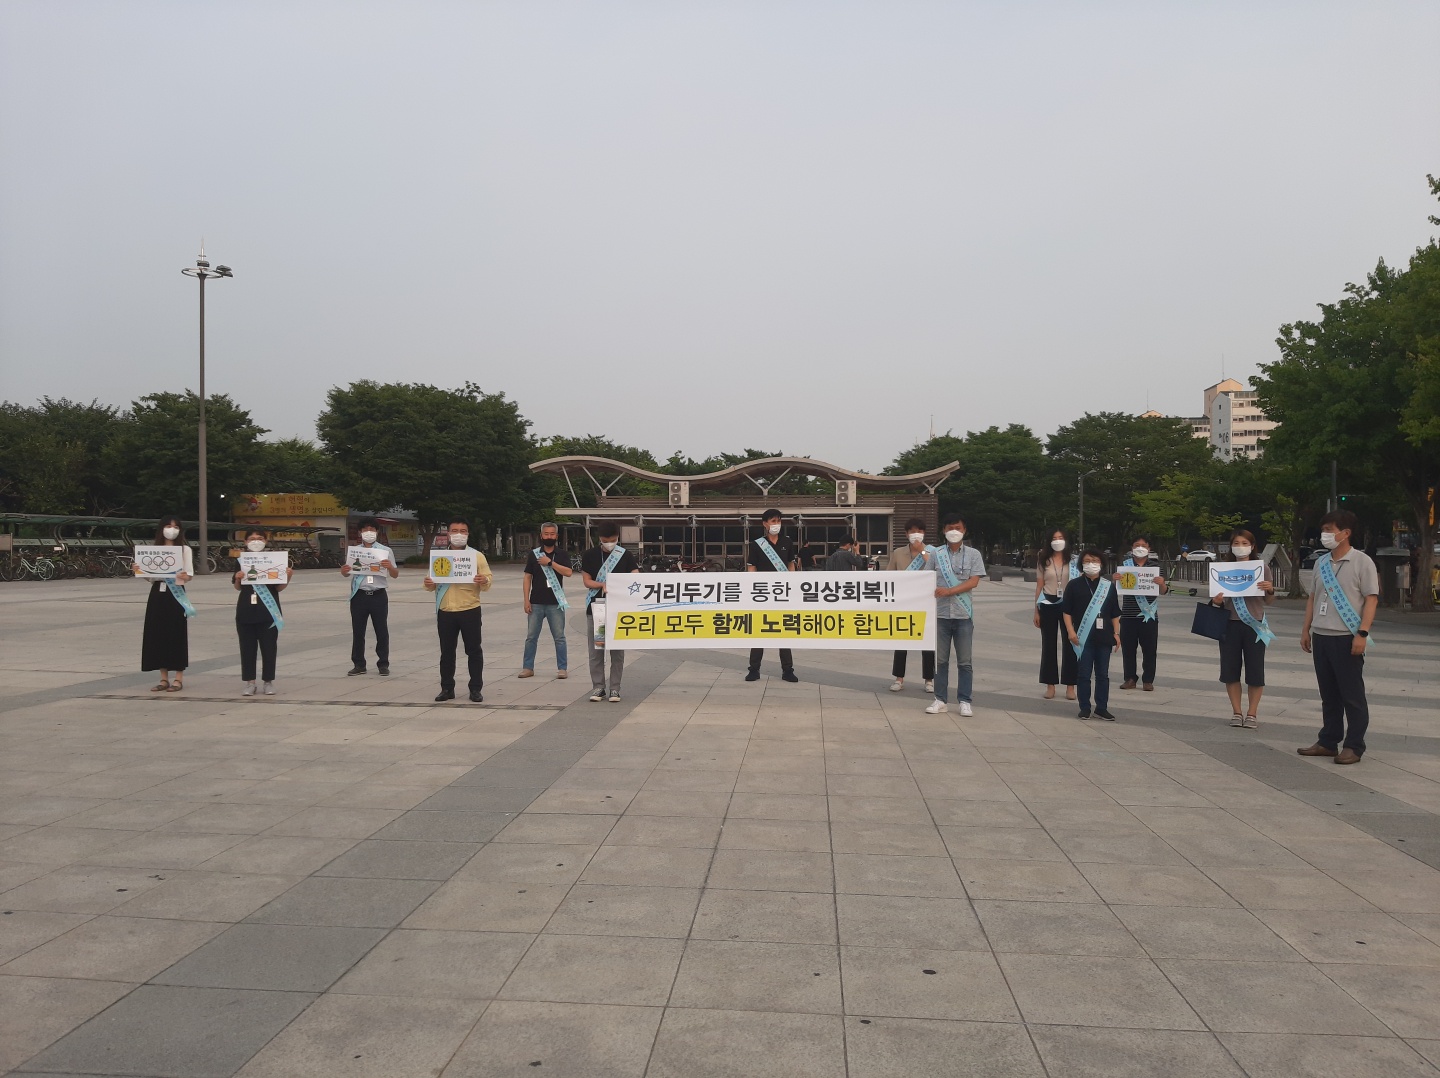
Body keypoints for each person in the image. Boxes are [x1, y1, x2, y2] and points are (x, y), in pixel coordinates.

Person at [1299, 510, 1378, 765]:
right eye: (1323, 530)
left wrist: (1362, 633)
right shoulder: (1321, 563)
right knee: (1329, 694)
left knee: (1352, 695)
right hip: (1321, 635)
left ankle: (1354, 746)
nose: (1325, 535)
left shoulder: (1362, 562)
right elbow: (1312, 598)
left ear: (1345, 533)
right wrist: (1306, 629)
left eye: (1329, 530)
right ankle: (1328, 741)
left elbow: (1371, 600)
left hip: (1347, 637)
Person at [1209, 529, 1275, 729]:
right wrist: (1217, 602)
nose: (1240, 547)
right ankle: (1237, 712)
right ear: (1230, 546)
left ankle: (1252, 713)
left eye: (1245, 543)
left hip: (1254, 624)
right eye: (1236, 543)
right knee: (1230, 670)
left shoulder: (1261, 568)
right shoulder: (1223, 569)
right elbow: (1218, 601)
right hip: (1229, 623)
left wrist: (1270, 589)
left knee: (1255, 671)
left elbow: (1269, 600)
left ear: (1252, 546)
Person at [423, 520, 493, 702]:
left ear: (468, 534)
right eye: (454, 530)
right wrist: (428, 583)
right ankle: (447, 688)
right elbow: (430, 583)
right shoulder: (439, 557)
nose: (459, 534)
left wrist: (484, 580)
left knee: (474, 651)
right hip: (446, 610)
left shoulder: (476, 556)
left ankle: (475, 689)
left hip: (470, 609)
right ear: (448, 534)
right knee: (447, 652)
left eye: (463, 531)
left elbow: (488, 579)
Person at [923, 514, 984, 716]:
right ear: (944, 531)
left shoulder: (974, 554)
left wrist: (949, 591)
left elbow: (974, 581)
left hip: (963, 616)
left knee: (965, 662)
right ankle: (940, 700)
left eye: (958, 527)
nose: (954, 531)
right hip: (941, 615)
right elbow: (926, 578)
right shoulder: (936, 554)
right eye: (950, 528)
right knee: (940, 661)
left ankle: (965, 700)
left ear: (964, 530)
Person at [580, 521, 640, 702]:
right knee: (597, 651)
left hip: (618, 610)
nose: (609, 543)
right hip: (597, 608)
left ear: (617, 538)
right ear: (600, 538)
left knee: (617, 651)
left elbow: (635, 574)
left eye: (613, 540)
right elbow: (587, 581)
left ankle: (615, 689)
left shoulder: (625, 555)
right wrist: (602, 584)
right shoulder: (589, 555)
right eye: (606, 541)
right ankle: (598, 687)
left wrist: (623, 583)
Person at [232, 528, 293, 696]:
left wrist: (288, 576)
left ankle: (268, 681)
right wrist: (238, 578)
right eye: (252, 538)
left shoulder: (274, 560)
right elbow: (237, 587)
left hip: (268, 609)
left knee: (269, 647)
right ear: (245, 542)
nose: (256, 541)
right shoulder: (241, 560)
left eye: (259, 538)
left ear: (265, 541)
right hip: (246, 609)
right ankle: (250, 682)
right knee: (247, 647)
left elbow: (279, 588)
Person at [1063, 548, 1122, 720]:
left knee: (1103, 674)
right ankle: (1085, 707)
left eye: (1095, 561)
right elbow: (1066, 611)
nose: (1091, 564)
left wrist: (1116, 633)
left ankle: (1101, 708)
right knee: (1084, 674)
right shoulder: (1074, 585)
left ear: (1101, 564)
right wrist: (1070, 631)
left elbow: (1115, 613)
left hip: (1104, 636)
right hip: (1083, 637)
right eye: (1087, 561)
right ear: (1081, 564)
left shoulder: (1108, 586)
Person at [140, 514, 194, 692]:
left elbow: (189, 575)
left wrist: (184, 576)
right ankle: (163, 678)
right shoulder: (153, 550)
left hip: (176, 593)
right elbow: (149, 577)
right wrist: (139, 570)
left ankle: (178, 677)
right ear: (161, 528)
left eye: (176, 527)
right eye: (169, 526)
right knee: (157, 632)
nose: (172, 530)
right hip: (158, 593)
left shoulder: (184, 550)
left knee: (176, 632)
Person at [746, 508, 800, 683]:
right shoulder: (757, 544)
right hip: (762, 594)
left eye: (778, 521)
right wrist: (753, 588)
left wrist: (792, 582)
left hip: (782, 593)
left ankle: (788, 670)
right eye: (773, 521)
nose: (776, 524)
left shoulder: (787, 542)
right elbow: (752, 567)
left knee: (784, 630)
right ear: (765, 524)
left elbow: (790, 563)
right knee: (759, 631)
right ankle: (754, 669)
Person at [341, 518, 399, 676]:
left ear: (377, 532)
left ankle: (383, 664)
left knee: (381, 630)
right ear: (360, 532)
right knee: (358, 631)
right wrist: (344, 571)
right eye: (365, 529)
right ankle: (359, 664)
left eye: (372, 529)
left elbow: (395, 574)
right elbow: (346, 573)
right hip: (359, 595)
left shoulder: (385, 551)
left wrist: (389, 567)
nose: (369, 532)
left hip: (378, 595)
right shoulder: (355, 551)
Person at [886, 518, 934, 694]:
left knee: (928, 644)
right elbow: (889, 575)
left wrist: (922, 551)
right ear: (906, 534)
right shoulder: (898, 553)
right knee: (901, 642)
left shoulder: (933, 552)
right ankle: (899, 678)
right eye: (912, 531)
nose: (916, 534)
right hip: (904, 603)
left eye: (919, 531)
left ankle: (929, 679)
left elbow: (937, 571)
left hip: (926, 603)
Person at [1116, 535, 1168, 691]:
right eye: (1136, 545)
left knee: (1150, 649)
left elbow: (1163, 591)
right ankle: (1130, 678)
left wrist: (1162, 583)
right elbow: (1116, 588)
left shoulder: (1156, 567)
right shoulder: (1125, 565)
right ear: (1132, 548)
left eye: (1143, 545)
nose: (1140, 548)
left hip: (1149, 615)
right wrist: (1115, 579)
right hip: (1128, 614)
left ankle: (1148, 680)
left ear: (1149, 548)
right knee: (1128, 649)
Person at [521, 522, 573, 678]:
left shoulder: (562, 554)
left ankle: (562, 668)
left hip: (555, 603)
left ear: (556, 536)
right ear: (541, 535)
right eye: (546, 534)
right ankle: (528, 668)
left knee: (559, 637)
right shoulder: (534, 554)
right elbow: (527, 577)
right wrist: (526, 600)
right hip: (536, 602)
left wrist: (550, 563)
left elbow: (568, 572)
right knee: (531, 637)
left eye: (552, 534)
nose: (549, 536)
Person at [1033, 529, 1078, 701]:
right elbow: (1039, 585)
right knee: (1049, 644)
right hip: (1048, 602)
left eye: (1060, 538)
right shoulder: (1043, 560)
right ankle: (1050, 684)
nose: (1057, 541)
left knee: (1071, 643)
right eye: (1054, 538)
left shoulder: (1073, 561)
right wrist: (1036, 610)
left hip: (1069, 603)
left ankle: (1070, 686)